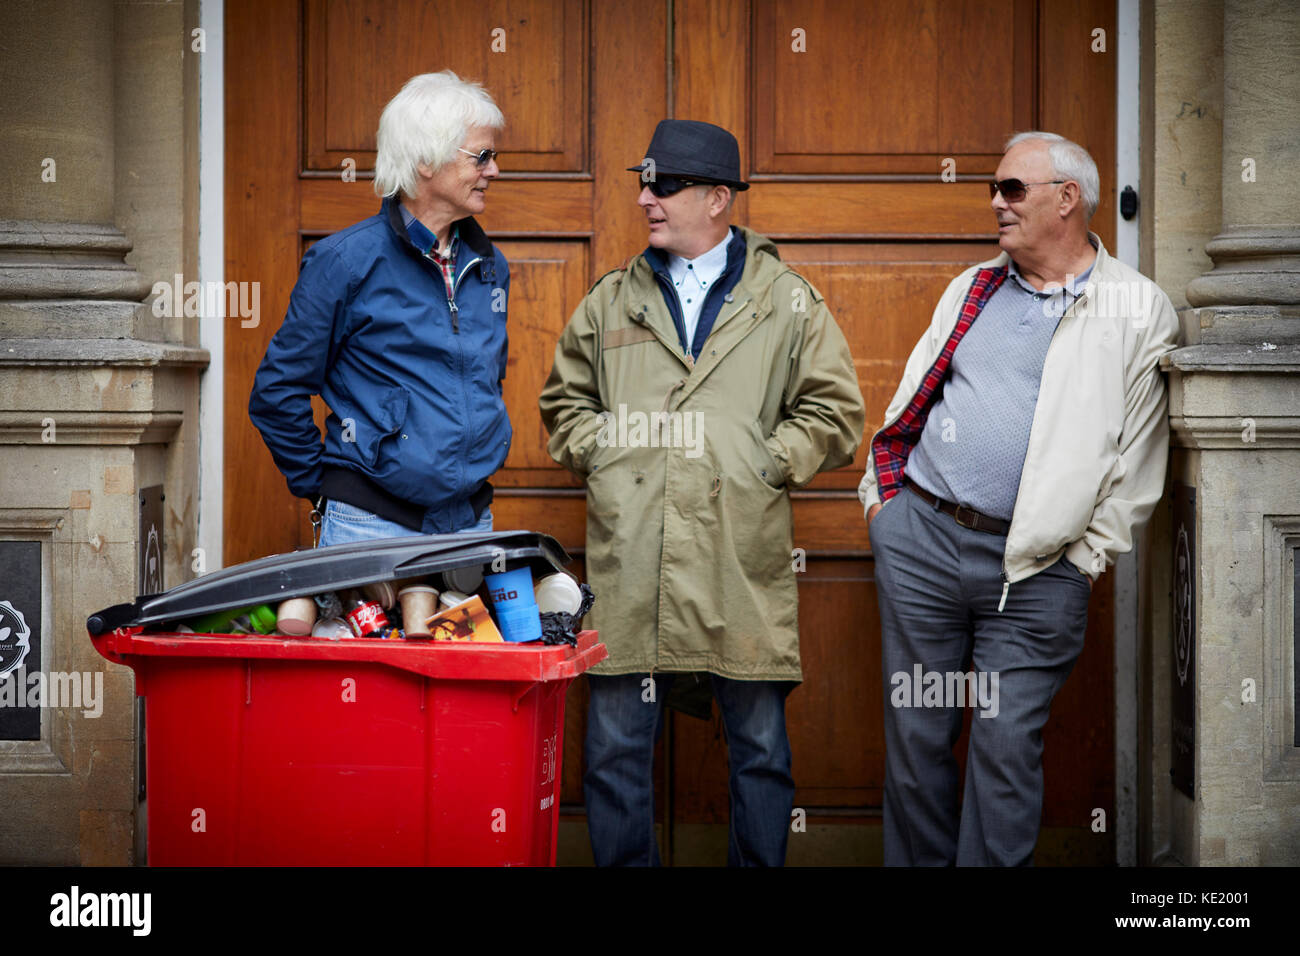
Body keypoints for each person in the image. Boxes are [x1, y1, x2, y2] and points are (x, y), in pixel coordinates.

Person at [540, 119, 865, 866]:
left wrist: (762, 460)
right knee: (617, 751)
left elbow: (835, 413)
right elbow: (565, 407)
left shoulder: (784, 300)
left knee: (759, 748)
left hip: (735, 552)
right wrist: (610, 456)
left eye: (666, 185)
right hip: (634, 556)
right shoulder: (612, 300)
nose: (647, 198)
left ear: (719, 199)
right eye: (645, 183)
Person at [859, 131, 1181, 866]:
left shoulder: (1136, 309)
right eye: (994, 188)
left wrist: (1081, 563)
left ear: (1067, 200)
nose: (995, 204)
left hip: (1036, 572)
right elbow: (911, 400)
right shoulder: (972, 287)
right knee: (917, 739)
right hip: (923, 542)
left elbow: (1137, 464)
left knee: (1003, 753)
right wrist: (886, 509)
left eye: (1012, 189)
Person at [249, 71, 510, 546]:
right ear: (427, 161)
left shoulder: (489, 265)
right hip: (368, 527)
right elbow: (277, 391)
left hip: (471, 524)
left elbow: (483, 380)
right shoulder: (344, 262)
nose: (494, 170)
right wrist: (326, 491)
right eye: (482, 156)